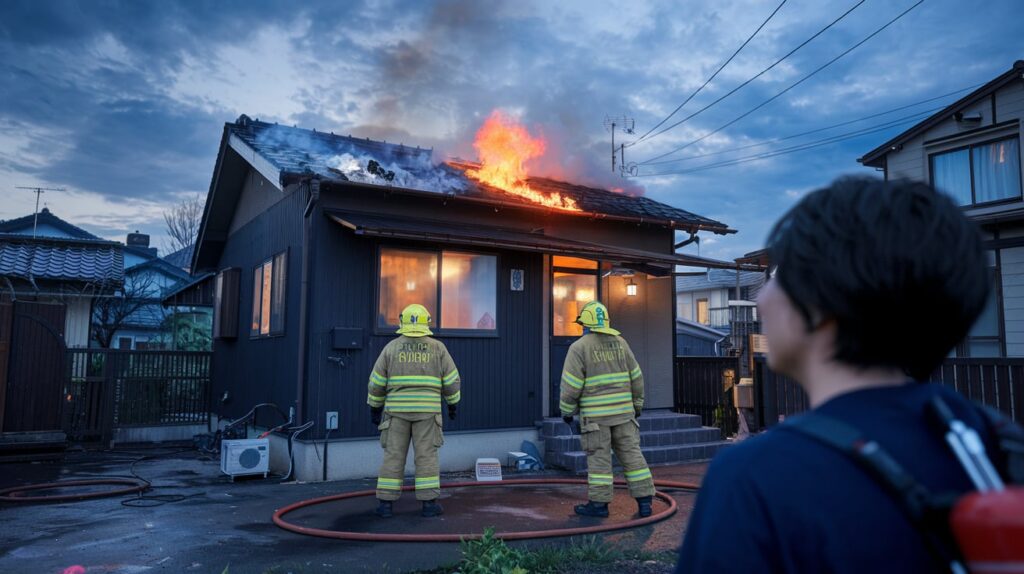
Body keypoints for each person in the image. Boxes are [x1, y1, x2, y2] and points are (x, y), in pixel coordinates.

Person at [676, 176, 995, 572]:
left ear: (822, 302)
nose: (760, 299)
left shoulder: (756, 479)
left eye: (776, 277)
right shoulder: (997, 447)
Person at [560, 300, 654, 518]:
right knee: (632, 456)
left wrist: (567, 413)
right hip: (624, 415)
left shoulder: (579, 348)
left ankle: (599, 506)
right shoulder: (621, 343)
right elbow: (637, 378)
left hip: (596, 419)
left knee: (599, 459)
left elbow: (571, 386)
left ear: (586, 324)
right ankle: (645, 502)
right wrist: (637, 405)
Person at [367, 303, 461, 518]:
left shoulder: (391, 348)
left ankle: (385, 505)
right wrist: (453, 403)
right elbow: (452, 381)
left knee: (393, 456)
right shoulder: (438, 348)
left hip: (396, 412)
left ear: (402, 322)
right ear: (426, 323)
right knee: (426, 456)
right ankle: (429, 505)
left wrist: (374, 407)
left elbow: (376, 383)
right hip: (427, 413)